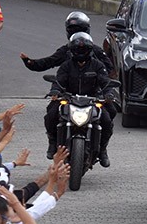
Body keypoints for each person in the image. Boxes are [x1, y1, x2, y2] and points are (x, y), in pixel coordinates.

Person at [45, 33, 116, 166]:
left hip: (92, 100)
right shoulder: (66, 65)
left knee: (107, 118)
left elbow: (105, 82)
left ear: (90, 50)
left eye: (84, 49)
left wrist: (108, 94)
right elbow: (58, 81)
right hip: (69, 98)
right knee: (51, 114)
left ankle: (102, 149)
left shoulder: (98, 65)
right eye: (78, 49)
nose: (81, 52)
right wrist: (55, 91)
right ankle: (52, 143)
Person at [20, 11, 113, 73]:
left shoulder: (96, 51)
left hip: (93, 91)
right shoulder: (65, 51)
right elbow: (48, 62)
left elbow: (109, 70)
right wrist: (30, 63)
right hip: (70, 90)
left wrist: (102, 82)